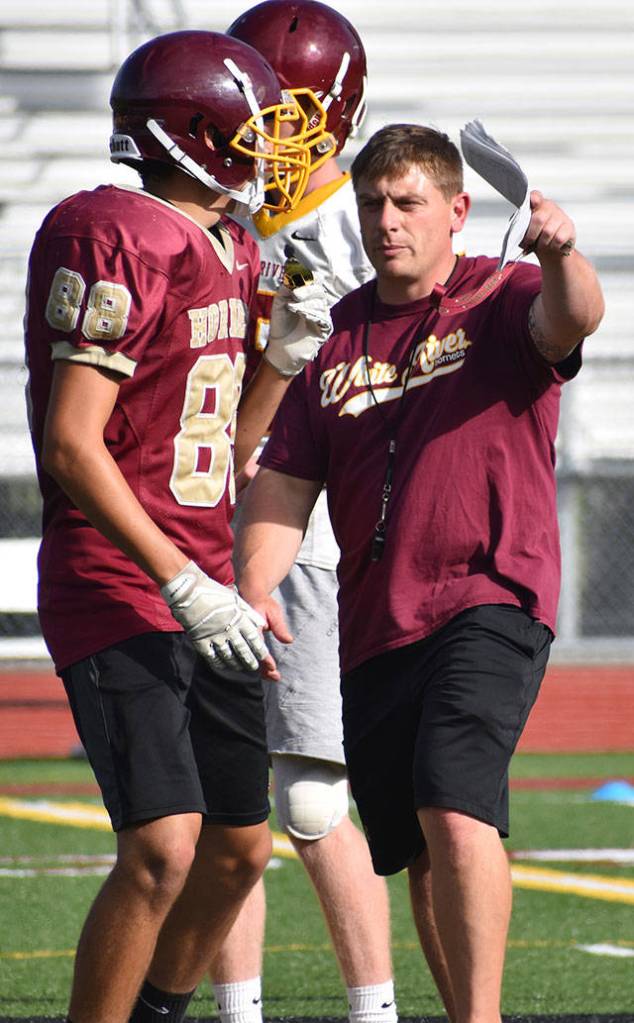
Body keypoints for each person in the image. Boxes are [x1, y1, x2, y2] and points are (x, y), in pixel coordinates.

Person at [230, 123, 605, 1023]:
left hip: (488, 596)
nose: (386, 221)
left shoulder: (502, 296)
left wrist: (561, 252)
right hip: (376, 622)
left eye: (408, 202)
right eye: (372, 204)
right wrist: (253, 587)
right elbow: (283, 483)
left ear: (458, 210)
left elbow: (574, 319)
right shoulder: (336, 338)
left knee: (452, 797)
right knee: (419, 848)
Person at [24, 29, 334, 1023]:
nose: (271, 145)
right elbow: (72, 443)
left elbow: (231, 448)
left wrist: (281, 360)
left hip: (205, 582)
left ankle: (158, 1012)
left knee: (239, 849)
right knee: (163, 846)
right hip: (120, 579)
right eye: (256, 126)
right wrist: (182, 582)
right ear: (198, 132)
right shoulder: (111, 233)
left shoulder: (232, 247)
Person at [207, 7, 420, 1023]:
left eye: (286, 115)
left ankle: (373, 1009)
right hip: (215, 523)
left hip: (313, 535)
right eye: (254, 114)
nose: (266, 139)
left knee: (308, 795)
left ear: (335, 113)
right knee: (222, 802)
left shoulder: (363, 224)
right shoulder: (230, 224)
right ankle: (236, 1008)